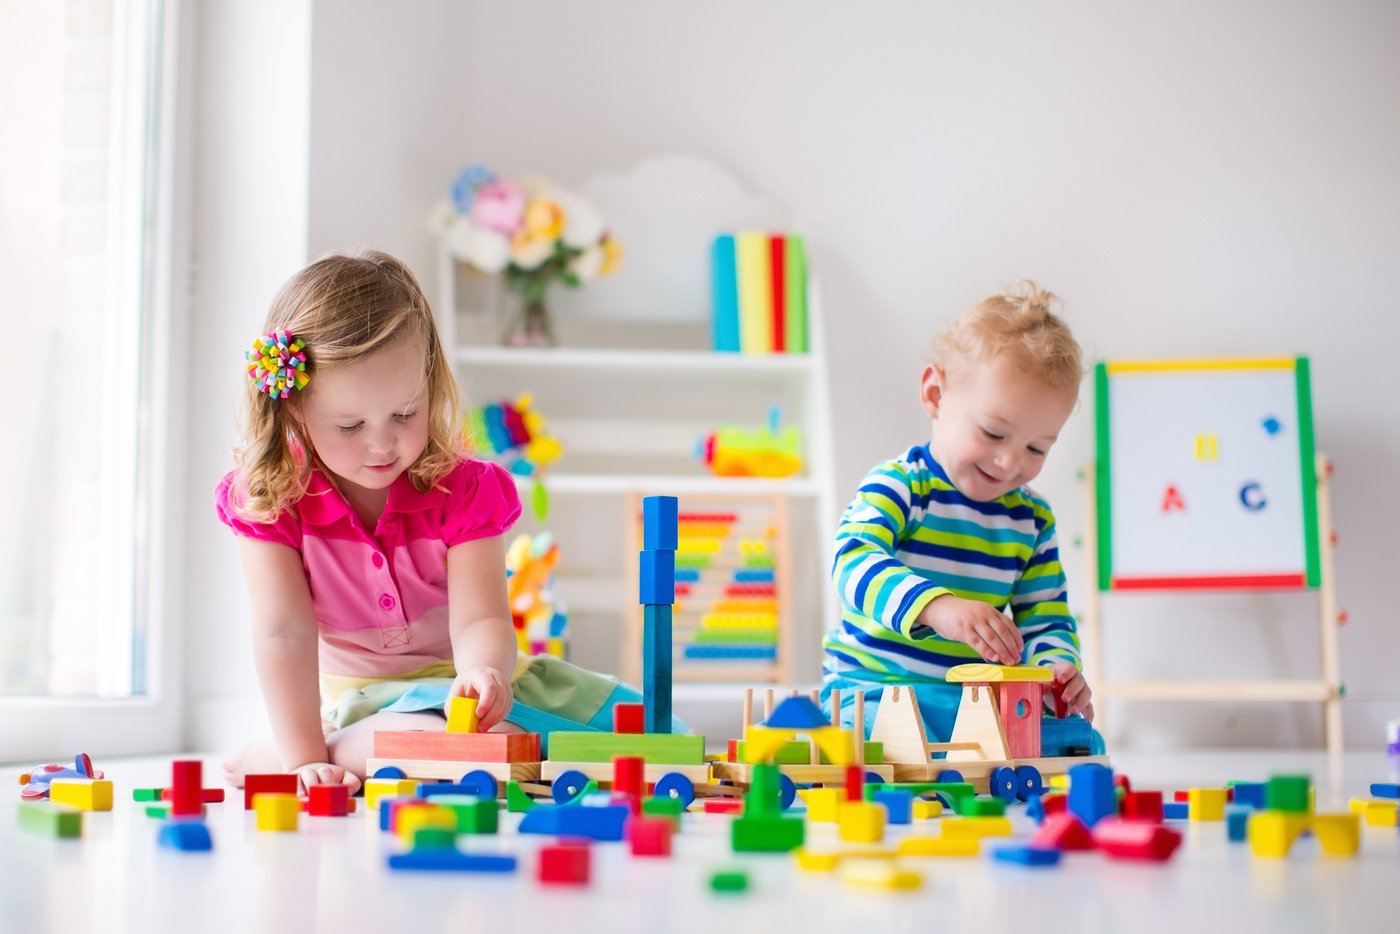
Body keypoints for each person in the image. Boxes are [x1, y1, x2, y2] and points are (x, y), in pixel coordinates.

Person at [217, 251, 672, 795]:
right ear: (294, 410)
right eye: (350, 424)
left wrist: (484, 673)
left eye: (404, 414)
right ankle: (302, 752)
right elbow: (283, 634)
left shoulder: (464, 489)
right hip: (358, 702)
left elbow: (482, 619)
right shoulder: (270, 499)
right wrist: (305, 760)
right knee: (474, 749)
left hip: (451, 687)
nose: (383, 443)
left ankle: (293, 756)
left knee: (645, 737)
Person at [821, 280, 1097, 746]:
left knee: (1075, 741)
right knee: (860, 742)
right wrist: (936, 607)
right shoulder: (903, 485)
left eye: (1036, 447)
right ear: (935, 395)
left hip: (976, 705)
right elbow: (852, 561)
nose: (1011, 462)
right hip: (874, 690)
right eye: (993, 433)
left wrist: (1054, 669)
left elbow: (1045, 618)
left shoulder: (1031, 521)